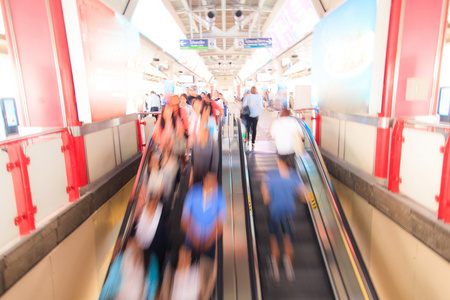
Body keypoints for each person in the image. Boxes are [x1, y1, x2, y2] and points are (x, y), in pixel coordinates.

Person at [260, 154, 306, 283]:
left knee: (274, 239)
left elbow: (266, 198)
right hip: (288, 212)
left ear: (277, 161)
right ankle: (289, 267)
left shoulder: (269, 176)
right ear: (288, 161)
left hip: (274, 211)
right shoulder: (293, 175)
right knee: (287, 239)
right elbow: (304, 196)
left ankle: (275, 268)